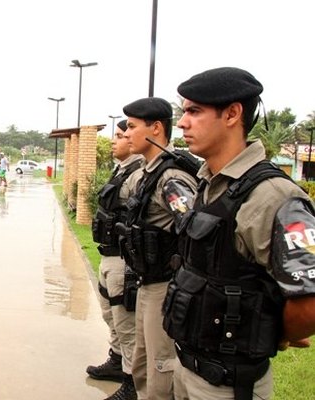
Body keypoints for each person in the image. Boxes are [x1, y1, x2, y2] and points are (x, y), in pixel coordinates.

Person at [163, 67, 315, 400]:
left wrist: (272, 332)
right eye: (183, 111)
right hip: (188, 367)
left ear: (232, 113)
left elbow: (309, 302)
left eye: (194, 111)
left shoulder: (273, 195)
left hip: (228, 384)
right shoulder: (210, 183)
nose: (183, 122)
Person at [118, 97, 198, 400]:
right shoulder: (149, 172)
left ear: (156, 128)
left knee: (161, 369)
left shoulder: (170, 179)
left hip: (165, 285)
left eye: (133, 127)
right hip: (148, 282)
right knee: (142, 363)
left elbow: (195, 231)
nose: (127, 133)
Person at [88, 119, 144, 400]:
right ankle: (115, 360)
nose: (115, 140)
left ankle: (131, 385)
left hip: (124, 261)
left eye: (121, 135)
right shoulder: (121, 170)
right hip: (108, 255)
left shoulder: (139, 174)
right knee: (111, 316)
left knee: (126, 324)